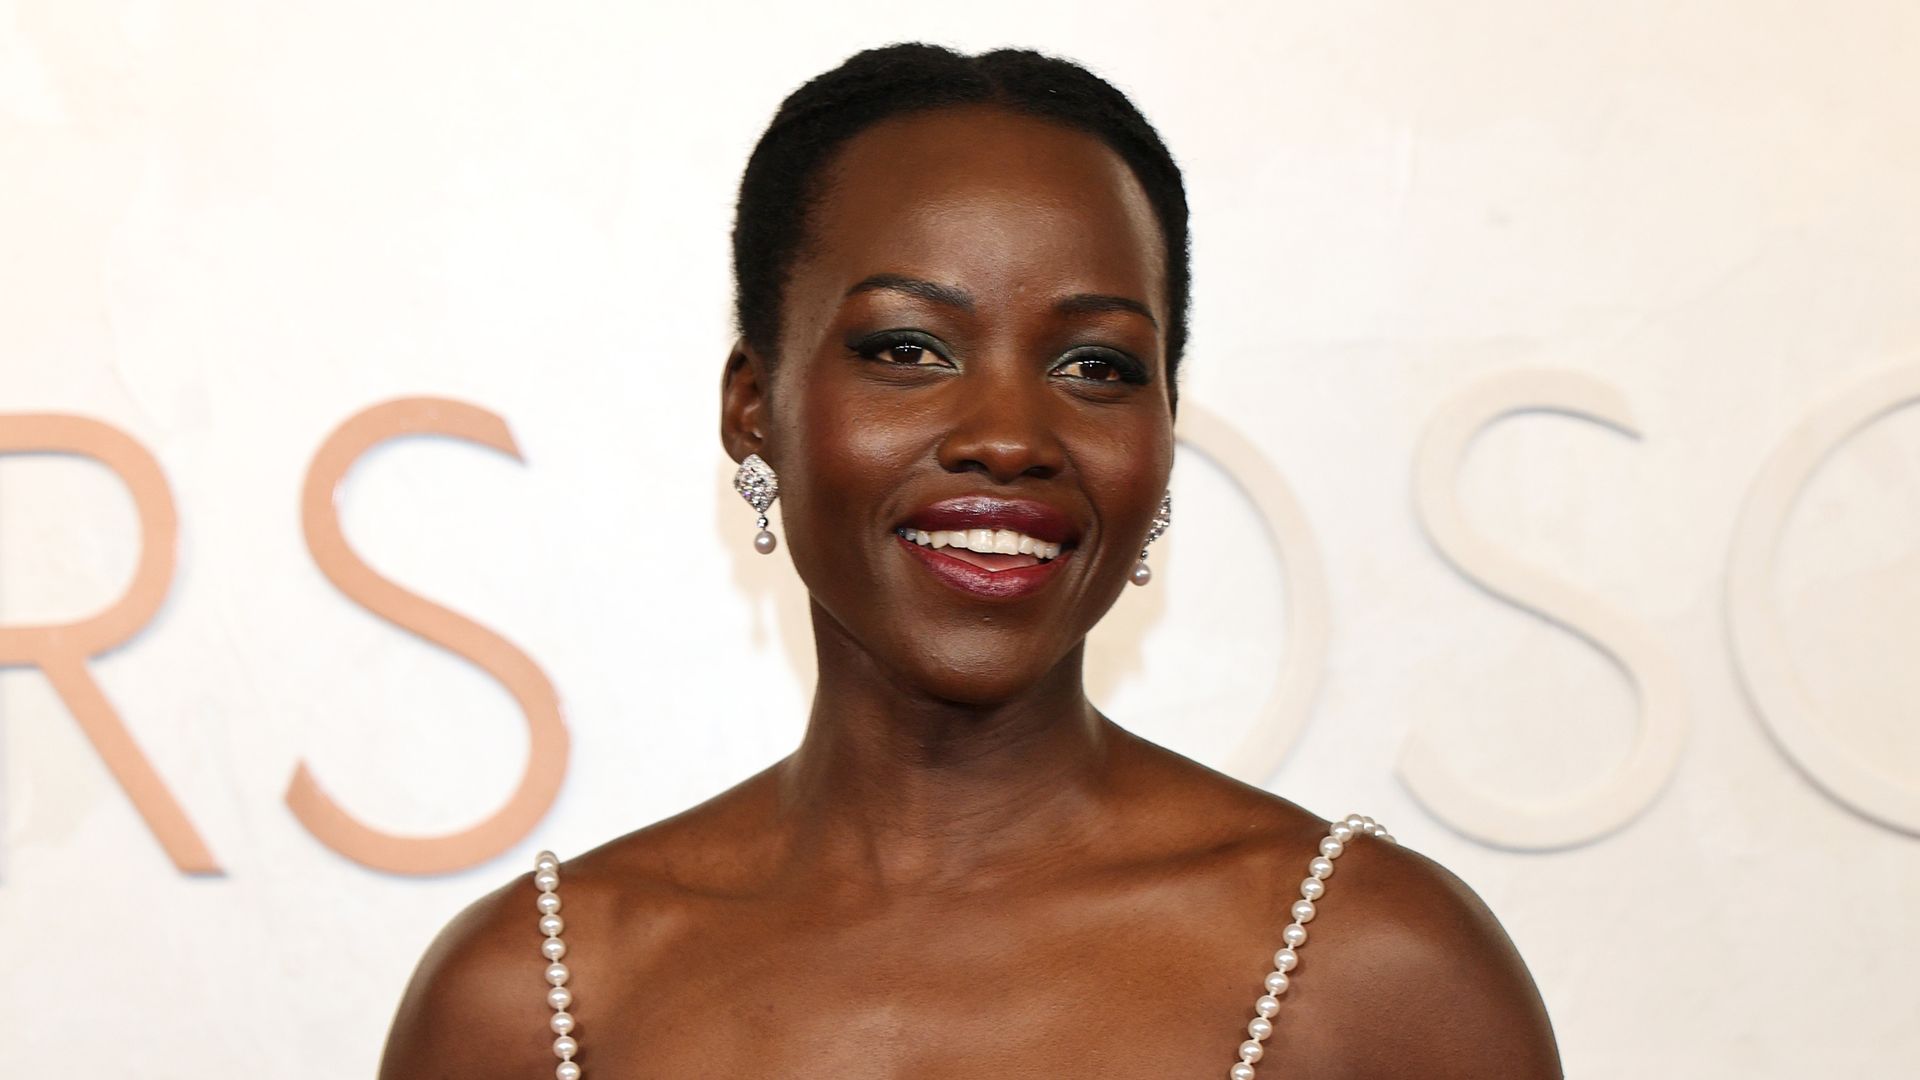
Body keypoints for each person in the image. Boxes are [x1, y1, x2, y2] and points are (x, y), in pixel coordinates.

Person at [377, 43, 1562, 1079]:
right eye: (909, 347)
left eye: (1096, 366)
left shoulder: (1377, 971)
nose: (1008, 435)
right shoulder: (532, 1001)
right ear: (755, 406)